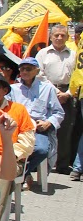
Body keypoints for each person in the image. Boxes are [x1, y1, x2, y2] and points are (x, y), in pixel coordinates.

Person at [0, 71, 35, 221]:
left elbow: (28, 142)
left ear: (5, 90)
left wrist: (10, 157)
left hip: (8, 157)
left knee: (5, 173)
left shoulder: (18, 110)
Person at [8, 57, 64, 190]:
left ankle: (23, 173)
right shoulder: (12, 89)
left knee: (41, 150)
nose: (25, 71)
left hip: (38, 128)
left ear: (37, 71)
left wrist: (48, 122)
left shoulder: (47, 89)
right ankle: (19, 175)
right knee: (10, 149)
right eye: (22, 69)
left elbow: (58, 112)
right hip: (18, 127)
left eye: (29, 69)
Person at [36, 24, 78, 173]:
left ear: (67, 37)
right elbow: (38, 75)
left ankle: (62, 164)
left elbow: (77, 76)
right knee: (44, 127)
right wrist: (55, 92)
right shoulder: (43, 53)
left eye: (62, 35)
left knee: (66, 130)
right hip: (47, 93)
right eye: (56, 35)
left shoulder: (74, 54)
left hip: (67, 94)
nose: (59, 38)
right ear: (51, 37)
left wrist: (67, 93)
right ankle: (41, 163)